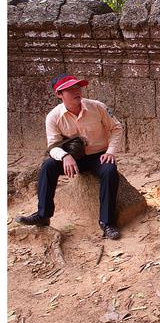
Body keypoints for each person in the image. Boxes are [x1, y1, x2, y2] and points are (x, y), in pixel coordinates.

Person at [16, 74, 124, 240]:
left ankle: (107, 223)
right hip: (73, 159)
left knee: (110, 171)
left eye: (78, 87)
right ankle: (43, 214)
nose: (76, 92)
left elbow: (116, 128)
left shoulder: (97, 107)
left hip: (98, 157)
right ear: (59, 94)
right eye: (70, 89)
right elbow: (52, 146)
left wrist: (110, 151)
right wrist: (65, 156)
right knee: (47, 166)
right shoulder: (53, 116)